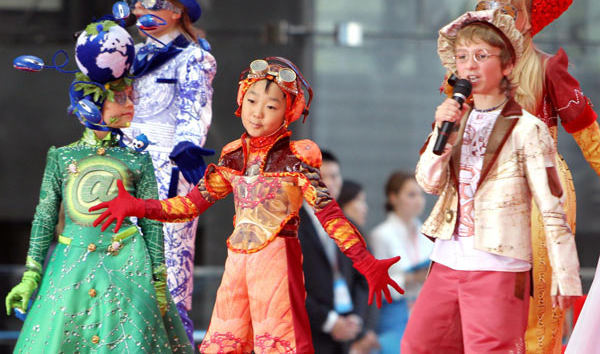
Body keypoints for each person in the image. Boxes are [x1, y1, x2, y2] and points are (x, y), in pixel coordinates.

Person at [90, 57, 403, 353]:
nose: (257, 113)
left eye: (270, 106)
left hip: (277, 261)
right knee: (220, 345)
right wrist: (137, 206)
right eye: (252, 101)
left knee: (279, 345)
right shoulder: (234, 156)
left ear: (288, 111)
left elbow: (329, 215)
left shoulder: (297, 157)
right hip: (237, 263)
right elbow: (189, 205)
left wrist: (365, 261)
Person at [5, 21, 193, 352]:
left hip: (129, 273)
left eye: (131, 96)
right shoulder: (62, 158)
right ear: (91, 104)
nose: (131, 104)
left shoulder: (138, 159)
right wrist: (30, 274)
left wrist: (159, 281)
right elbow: (45, 217)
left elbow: (151, 222)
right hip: (70, 269)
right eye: (121, 98)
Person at [401, 8, 581, 353]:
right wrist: (442, 136)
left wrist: (565, 274)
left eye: (481, 56)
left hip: (498, 264)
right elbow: (427, 182)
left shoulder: (528, 129)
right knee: (418, 345)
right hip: (448, 259)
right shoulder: (453, 119)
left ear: (508, 65)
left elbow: (551, 205)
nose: (469, 65)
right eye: (462, 57)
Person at [473, 0, 598, 352]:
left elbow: (589, 135)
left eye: (508, 10)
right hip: (481, 193)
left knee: (538, 302)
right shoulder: (467, 66)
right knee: (478, 303)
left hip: (540, 194)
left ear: (529, 19)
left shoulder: (547, 69)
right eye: (487, 6)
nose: (495, 17)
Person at [113, 0, 218, 341]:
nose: (141, 9)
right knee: (116, 263)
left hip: (166, 170)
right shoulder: (129, 54)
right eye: (135, 0)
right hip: (120, 163)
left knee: (165, 271)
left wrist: (187, 147)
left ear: (177, 7)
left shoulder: (195, 58)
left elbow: (195, 111)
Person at [299, 153, 379, 354]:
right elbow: (287, 284)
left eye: (335, 176)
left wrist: (356, 319)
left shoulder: (349, 226)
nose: (330, 183)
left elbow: (365, 277)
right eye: (322, 176)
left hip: (345, 331)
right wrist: (329, 321)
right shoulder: (291, 226)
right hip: (306, 330)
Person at [370, 171, 433, 353]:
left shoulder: (427, 234)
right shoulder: (381, 235)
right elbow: (377, 285)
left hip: (424, 310)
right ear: (393, 198)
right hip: (395, 314)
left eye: (420, 194)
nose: (418, 200)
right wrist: (410, 278)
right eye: (411, 195)